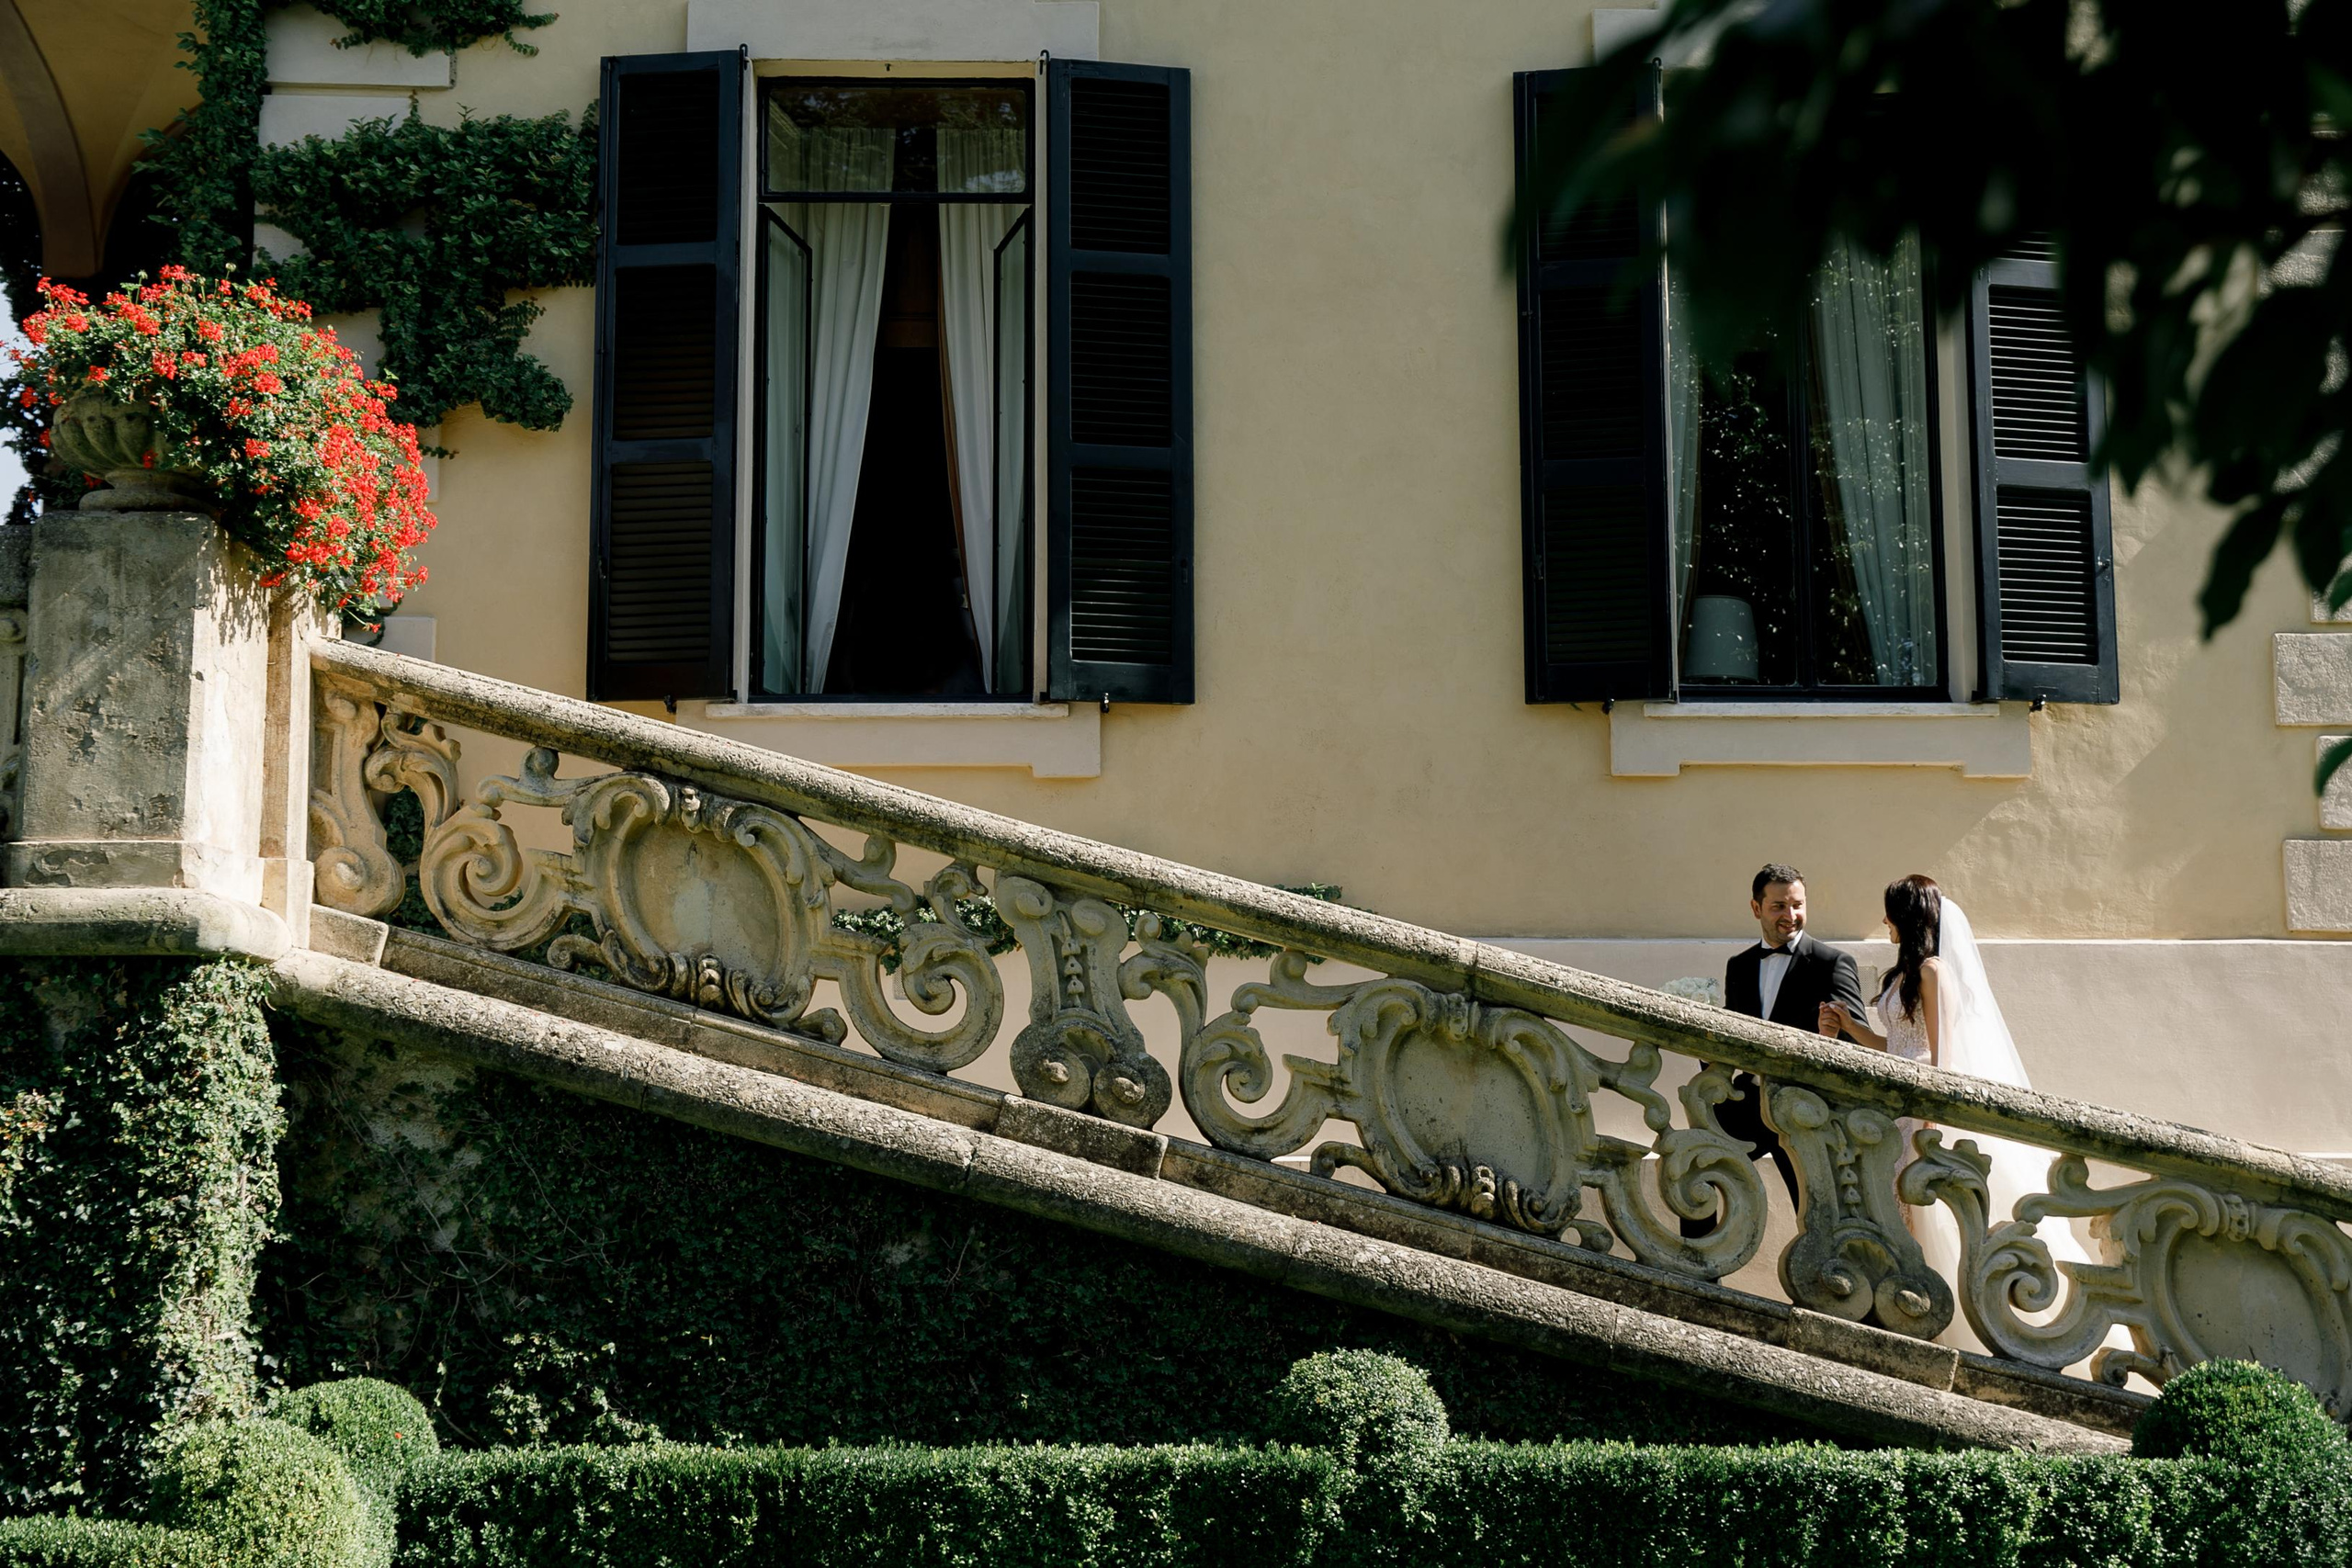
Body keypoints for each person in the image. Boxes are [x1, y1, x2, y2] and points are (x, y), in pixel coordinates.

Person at [1818, 874, 2093, 1343]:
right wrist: (1849, 1027)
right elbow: (1899, 1047)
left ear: (1907, 916)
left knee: (1916, 1204)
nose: (1884, 920)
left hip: (1920, 1109)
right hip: (1896, 1106)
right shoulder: (1903, 975)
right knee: (1895, 1206)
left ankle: (1930, 1315)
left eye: (1890, 912)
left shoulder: (1933, 972)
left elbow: (1941, 1055)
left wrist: (1931, 1115)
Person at [1682, 864, 1867, 1238]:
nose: (1790, 915)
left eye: (1797, 905)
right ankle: (1696, 1267)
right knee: (1694, 1167)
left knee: (1819, 1216)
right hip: (1749, 1103)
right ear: (1756, 908)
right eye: (1778, 906)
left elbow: (1858, 1044)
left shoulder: (1833, 963)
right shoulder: (1739, 966)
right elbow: (1732, 1038)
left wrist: (1829, 1039)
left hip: (1806, 1109)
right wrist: (1703, 1040)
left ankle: (1825, 1272)